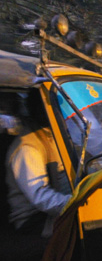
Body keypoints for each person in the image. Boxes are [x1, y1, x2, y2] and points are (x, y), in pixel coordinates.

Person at [5, 89, 72, 238]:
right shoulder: (27, 147)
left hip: (52, 209)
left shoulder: (52, 134)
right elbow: (40, 197)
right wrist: (74, 204)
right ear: (40, 110)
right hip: (34, 220)